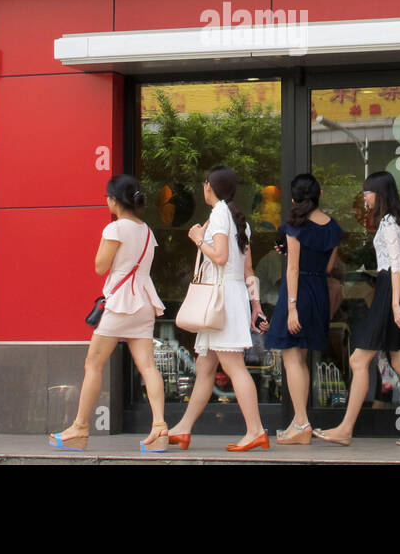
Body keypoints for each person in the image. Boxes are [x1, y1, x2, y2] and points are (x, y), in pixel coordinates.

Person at [314, 171, 400, 447]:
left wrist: (393, 304)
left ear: (379, 194)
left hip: (391, 291)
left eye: (367, 192)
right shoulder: (397, 221)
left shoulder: (390, 223)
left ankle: (345, 429)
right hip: (398, 289)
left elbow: (394, 266)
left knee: (358, 360)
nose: (364, 196)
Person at [50, 175, 170, 452]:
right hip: (143, 302)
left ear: (115, 200)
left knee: (93, 364)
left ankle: (79, 427)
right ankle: (160, 427)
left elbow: (100, 266)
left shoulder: (115, 229)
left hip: (119, 304)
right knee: (148, 365)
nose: (106, 201)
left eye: (108, 197)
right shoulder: (148, 231)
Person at [166, 166, 269, 452]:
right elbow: (248, 269)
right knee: (205, 366)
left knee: (234, 367)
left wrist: (198, 238)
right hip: (230, 299)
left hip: (221, 300)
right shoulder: (239, 220)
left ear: (209, 186)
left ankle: (256, 430)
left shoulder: (220, 214)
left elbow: (221, 258)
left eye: (205, 183)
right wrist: (255, 306)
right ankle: (184, 428)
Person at [264, 173, 342, 444]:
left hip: (297, 294)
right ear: (319, 195)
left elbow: (293, 268)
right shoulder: (333, 227)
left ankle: (301, 423)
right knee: (301, 357)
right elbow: (328, 267)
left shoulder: (294, 226)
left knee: (290, 356)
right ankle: (300, 422)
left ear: (295, 198)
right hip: (318, 290)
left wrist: (293, 307)